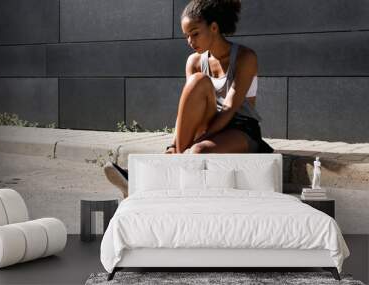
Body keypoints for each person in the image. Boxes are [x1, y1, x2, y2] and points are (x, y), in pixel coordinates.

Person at [104, 0, 273, 198]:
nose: (190, 42)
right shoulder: (194, 62)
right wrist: (173, 145)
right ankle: (149, 177)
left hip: (240, 128)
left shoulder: (245, 57)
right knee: (197, 81)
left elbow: (228, 109)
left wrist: (188, 147)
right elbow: (186, 112)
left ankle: (141, 181)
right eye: (186, 36)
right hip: (209, 124)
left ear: (214, 27)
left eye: (195, 33)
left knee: (198, 153)